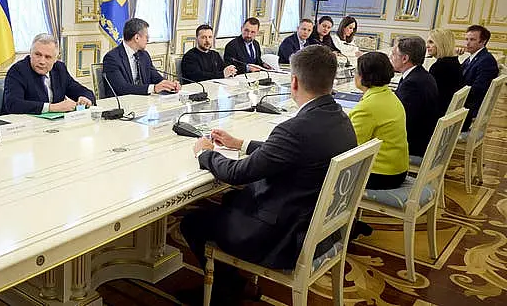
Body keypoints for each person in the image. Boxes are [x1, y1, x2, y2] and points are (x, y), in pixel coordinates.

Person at [180, 46, 357, 302]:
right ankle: (233, 283)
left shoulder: (294, 129)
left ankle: (224, 291)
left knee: (193, 221)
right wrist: (240, 144)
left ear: (294, 81)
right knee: (230, 202)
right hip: (318, 227)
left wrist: (204, 154)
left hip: (283, 236)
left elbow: (239, 174)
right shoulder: (339, 117)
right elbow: (298, 151)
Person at [350, 52, 409, 188]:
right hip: (397, 169)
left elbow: (351, 147)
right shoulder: (389, 95)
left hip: (380, 174)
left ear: (363, 76)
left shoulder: (368, 107)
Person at [2, 34, 95, 115]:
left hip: (54, 126)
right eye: (37, 55)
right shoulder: (18, 70)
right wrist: (52, 108)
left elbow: (82, 91)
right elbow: (13, 104)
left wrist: (85, 98)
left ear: (55, 59)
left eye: (48, 57)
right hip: (21, 128)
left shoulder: (59, 69)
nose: (42, 61)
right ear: (30, 53)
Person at [102, 18, 180, 96]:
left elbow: (156, 77)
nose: (148, 40)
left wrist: (170, 85)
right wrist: (153, 88)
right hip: (122, 103)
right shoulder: (112, 58)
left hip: (144, 101)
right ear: (137, 38)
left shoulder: (144, 55)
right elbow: (122, 88)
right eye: (146, 37)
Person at [390, 36, 439, 157]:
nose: (391, 57)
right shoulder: (420, 75)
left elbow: (401, 120)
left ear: (405, 58)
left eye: (394, 54)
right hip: (422, 136)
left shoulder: (413, 84)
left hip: (413, 145)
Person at [460, 25, 499, 130]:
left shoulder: (486, 61)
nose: (467, 43)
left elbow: (478, 89)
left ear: (483, 42)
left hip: (468, 110)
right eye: (466, 39)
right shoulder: (473, 57)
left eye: (472, 40)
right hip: (466, 105)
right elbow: (458, 75)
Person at [426, 28, 462, 117]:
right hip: (449, 113)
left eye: (431, 42)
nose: (427, 46)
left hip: (438, 116)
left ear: (441, 44)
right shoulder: (454, 62)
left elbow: (430, 97)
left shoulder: (439, 68)